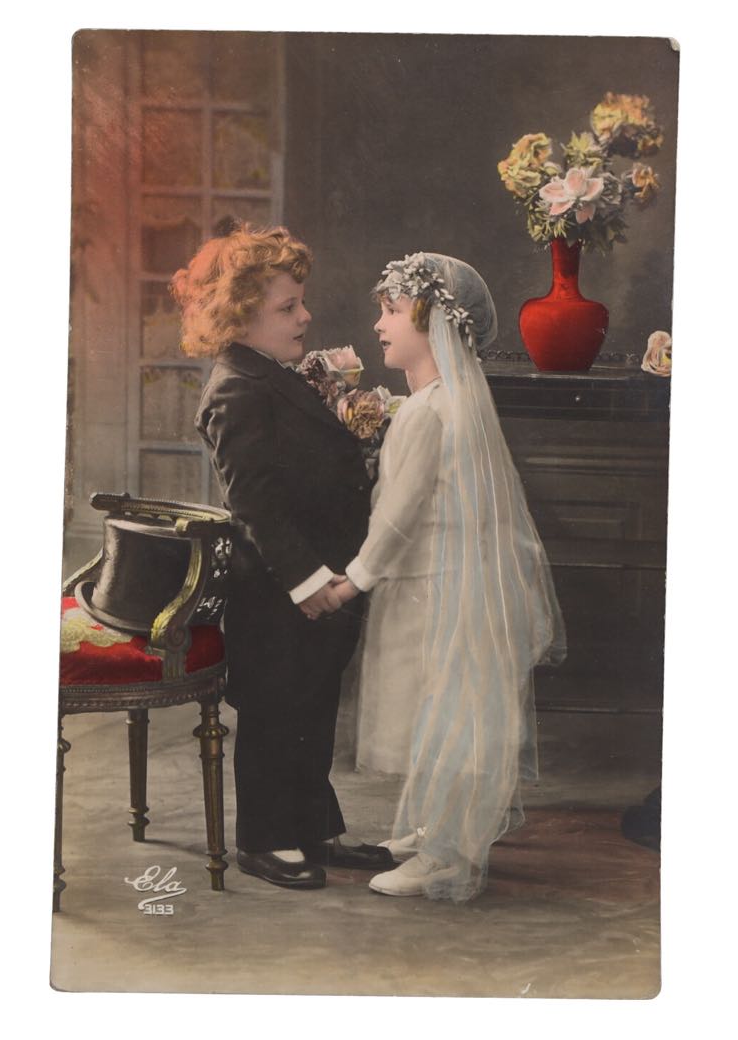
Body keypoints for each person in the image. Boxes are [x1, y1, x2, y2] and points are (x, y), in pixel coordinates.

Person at [330, 253, 567, 900]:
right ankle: (433, 829)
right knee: (442, 712)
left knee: (442, 714)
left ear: (432, 321)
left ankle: (446, 854)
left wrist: (353, 579)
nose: (378, 324)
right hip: (447, 580)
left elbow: (398, 515)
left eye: (391, 311)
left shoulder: (427, 411)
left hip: (436, 587)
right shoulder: (445, 401)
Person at [173, 224, 395, 890]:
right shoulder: (236, 388)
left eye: (301, 302)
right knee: (276, 712)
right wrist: (307, 581)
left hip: (322, 576)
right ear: (239, 317)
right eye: (288, 307)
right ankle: (265, 839)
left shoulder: (273, 375)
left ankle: (313, 828)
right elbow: (255, 503)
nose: (304, 316)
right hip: (279, 588)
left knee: (312, 708)